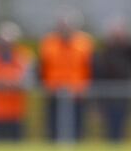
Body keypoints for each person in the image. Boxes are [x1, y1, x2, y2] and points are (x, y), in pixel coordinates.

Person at [39, 8, 94, 142]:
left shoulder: (85, 43)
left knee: (78, 128)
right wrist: (46, 86)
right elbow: (42, 67)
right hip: (54, 93)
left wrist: (86, 87)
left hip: (77, 94)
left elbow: (90, 67)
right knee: (53, 129)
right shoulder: (48, 43)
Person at [92, 16, 131, 142]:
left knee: (122, 128)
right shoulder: (104, 52)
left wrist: (128, 43)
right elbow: (98, 74)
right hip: (108, 97)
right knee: (109, 130)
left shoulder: (129, 50)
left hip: (124, 96)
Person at [0, 21, 33, 141]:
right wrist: (8, 83)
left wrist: (5, 83)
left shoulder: (23, 56)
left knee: (15, 149)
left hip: (15, 112)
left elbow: (27, 82)